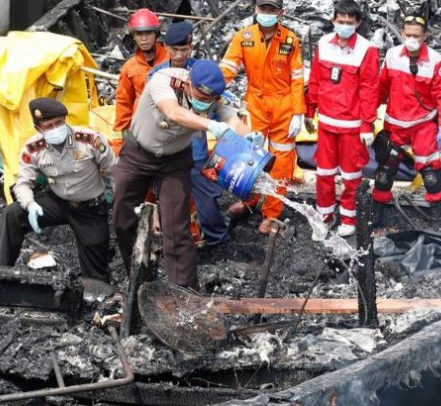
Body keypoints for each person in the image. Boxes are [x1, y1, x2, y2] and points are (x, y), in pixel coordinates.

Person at [113, 60, 256, 290]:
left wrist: (249, 137)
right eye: (201, 96)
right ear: (189, 82)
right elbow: (173, 112)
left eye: (210, 100)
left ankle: (182, 293)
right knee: (123, 217)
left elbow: (232, 120)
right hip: (138, 155)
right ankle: (139, 278)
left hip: (175, 161)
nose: (205, 102)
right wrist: (211, 125)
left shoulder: (215, 98)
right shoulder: (164, 81)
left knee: (176, 227)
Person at [0, 98, 115, 282]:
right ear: (38, 129)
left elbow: (114, 170)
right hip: (58, 201)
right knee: (12, 214)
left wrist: (110, 198)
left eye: (59, 123)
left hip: (89, 207)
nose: (55, 129)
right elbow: (23, 183)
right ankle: (1, 275)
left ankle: (98, 297)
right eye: (49, 126)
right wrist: (30, 204)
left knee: (96, 272)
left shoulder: (89, 140)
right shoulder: (33, 149)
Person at [219, 0, 305, 234]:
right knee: (250, 156)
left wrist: (298, 112)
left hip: (283, 105)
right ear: (255, 9)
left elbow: (297, 77)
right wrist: (208, 91)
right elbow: (228, 68)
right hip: (255, 103)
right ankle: (249, 201)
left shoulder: (290, 39)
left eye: (271, 9)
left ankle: (272, 214)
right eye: (262, 8)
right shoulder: (243, 37)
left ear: (281, 12)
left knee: (282, 161)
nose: (266, 13)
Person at [147, 21, 231, 248]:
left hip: (196, 149)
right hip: (167, 149)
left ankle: (217, 240)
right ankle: (175, 244)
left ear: (191, 48)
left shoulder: (201, 72)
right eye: (174, 49)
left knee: (207, 197)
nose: (179, 54)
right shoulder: (157, 75)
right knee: (170, 200)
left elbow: (219, 103)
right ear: (166, 47)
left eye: (184, 50)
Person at [305, 0, 379, 237]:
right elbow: (315, 79)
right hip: (326, 122)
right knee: (324, 173)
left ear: (358, 23)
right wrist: (309, 110)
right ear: (333, 20)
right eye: (340, 22)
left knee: (351, 175)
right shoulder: (324, 44)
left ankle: (349, 216)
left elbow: (369, 89)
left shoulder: (367, 50)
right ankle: (324, 217)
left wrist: (367, 124)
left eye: (349, 22)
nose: (345, 26)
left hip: (351, 125)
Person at [371, 14, 441, 221]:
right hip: (395, 125)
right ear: (402, 32)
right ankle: (377, 216)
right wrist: (367, 116)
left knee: (431, 176)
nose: (412, 39)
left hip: (423, 126)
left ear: (425, 35)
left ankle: (438, 217)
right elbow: (381, 89)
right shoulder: (392, 56)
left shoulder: (436, 62)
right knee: (384, 174)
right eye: (408, 34)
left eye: (417, 35)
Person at [113, 8, 168, 133]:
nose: (144, 39)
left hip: (171, 124)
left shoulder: (172, 60)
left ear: (156, 34)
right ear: (133, 36)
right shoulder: (129, 67)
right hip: (143, 127)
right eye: (139, 34)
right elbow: (123, 104)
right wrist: (120, 145)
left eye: (148, 33)